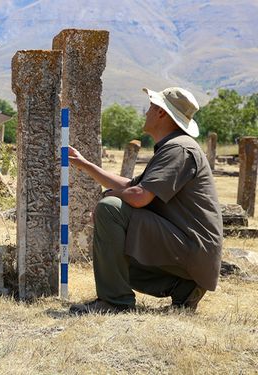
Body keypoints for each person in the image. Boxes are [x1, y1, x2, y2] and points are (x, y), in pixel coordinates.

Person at [68, 87, 223, 314]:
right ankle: (183, 288)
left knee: (110, 209)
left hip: (192, 249)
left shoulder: (179, 149)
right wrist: (85, 165)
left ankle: (114, 302)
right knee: (113, 248)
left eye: (151, 107)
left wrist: (107, 197)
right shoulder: (174, 146)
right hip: (191, 252)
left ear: (162, 113)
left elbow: (139, 197)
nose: (147, 112)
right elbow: (132, 186)